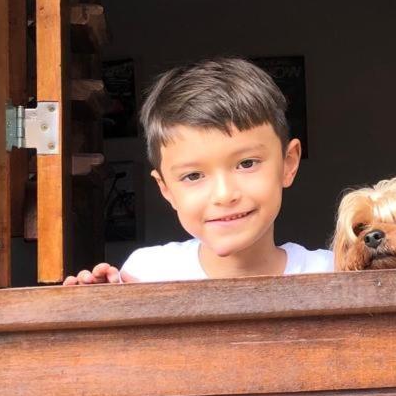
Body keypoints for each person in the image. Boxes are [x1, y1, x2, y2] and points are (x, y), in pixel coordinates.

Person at [64, 58, 333, 284]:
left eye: (247, 163)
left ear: (288, 163)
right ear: (166, 188)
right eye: (193, 176)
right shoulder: (147, 274)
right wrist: (98, 306)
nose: (224, 195)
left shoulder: (333, 271)